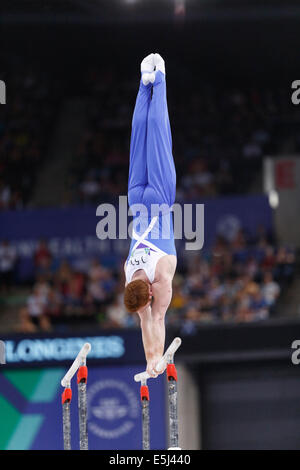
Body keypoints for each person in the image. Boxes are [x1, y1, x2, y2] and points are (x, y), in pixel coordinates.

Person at [123, 53, 177, 378]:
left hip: (157, 195)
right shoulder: (129, 277)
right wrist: (152, 360)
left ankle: (160, 79)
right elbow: (147, 321)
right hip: (135, 199)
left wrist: (155, 355)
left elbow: (155, 321)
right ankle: (144, 83)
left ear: (151, 292)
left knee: (158, 133)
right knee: (139, 136)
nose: (144, 311)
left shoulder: (164, 278)